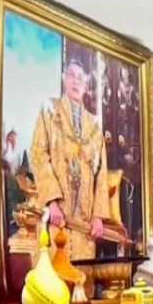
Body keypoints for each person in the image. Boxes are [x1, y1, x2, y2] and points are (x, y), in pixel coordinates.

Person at [30, 58, 109, 260]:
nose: (76, 81)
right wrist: (52, 202)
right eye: (72, 75)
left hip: (84, 224)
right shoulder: (49, 111)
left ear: (86, 85)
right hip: (56, 217)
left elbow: (101, 174)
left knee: (82, 277)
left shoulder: (95, 126)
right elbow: (38, 154)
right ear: (64, 79)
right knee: (53, 275)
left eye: (80, 78)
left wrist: (98, 217)